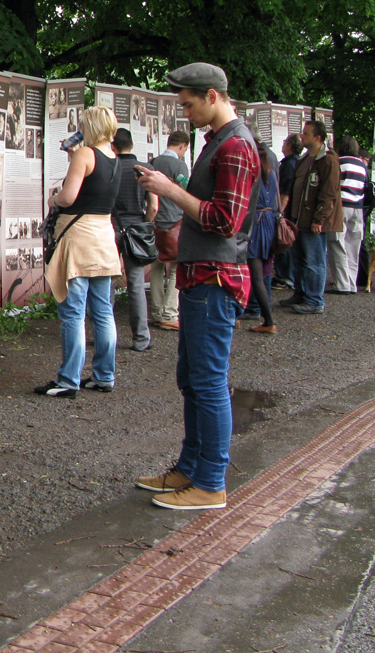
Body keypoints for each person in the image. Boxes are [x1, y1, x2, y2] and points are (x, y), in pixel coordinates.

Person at [136, 62, 258, 511]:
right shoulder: (222, 142)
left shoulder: (236, 147)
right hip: (202, 276)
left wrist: (169, 190)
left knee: (207, 383)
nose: (185, 114)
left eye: (188, 105)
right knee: (193, 379)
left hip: (215, 278)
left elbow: (225, 222)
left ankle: (210, 483)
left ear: (212, 96)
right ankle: (190, 470)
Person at [36, 105, 121, 398]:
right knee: (103, 310)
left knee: (73, 311)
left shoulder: (85, 154)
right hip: (103, 237)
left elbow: (69, 197)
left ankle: (68, 379)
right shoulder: (114, 158)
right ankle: (104, 375)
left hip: (79, 238)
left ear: (90, 126)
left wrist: (53, 199)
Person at [281, 119, 340, 314]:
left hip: (312, 221)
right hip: (298, 219)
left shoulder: (328, 160)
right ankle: (301, 294)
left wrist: (319, 219)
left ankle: (314, 300)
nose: (302, 136)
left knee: (314, 261)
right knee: (299, 258)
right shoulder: (305, 159)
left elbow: (329, 193)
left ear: (318, 138)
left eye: (306, 133)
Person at [111, 128, 155, 352]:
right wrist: (144, 224)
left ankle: (105, 336)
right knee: (136, 285)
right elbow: (153, 206)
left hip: (110, 228)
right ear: (132, 145)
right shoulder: (144, 169)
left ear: (113, 146)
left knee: (106, 282)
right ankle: (140, 338)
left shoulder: (110, 167)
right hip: (136, 228)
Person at [148, 130, 190, 331]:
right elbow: (186, 193)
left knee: (156, 267)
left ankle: (157, 313)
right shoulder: (180, 166)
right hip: (175, 223)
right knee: (175, 268)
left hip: (156, 222)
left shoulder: (153, 163)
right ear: (183, 146)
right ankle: (170, 313)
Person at [244, 138, 279, 334]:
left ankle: (268, 320)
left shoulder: (253, 175)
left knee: (255, 274)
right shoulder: (271, 174)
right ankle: (266, 317)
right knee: (264, 272)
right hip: (268, 222)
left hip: (255, 224)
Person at [328, 135, 365, 294]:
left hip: (341, 207)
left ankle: (342, 284)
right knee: (353, 247)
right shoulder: (362, 164)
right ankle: (352, 283)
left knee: (337, 244)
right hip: (358, 208)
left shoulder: (339, 162)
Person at [274, 133, 302, 288]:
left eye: (285, 142)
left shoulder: (289, 164)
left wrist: (280, 211)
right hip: (294, 209)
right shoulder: (298, 162)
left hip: (286, 209)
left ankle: (285, 276)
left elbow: (286, 191)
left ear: (289, 145)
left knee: (283, 239)